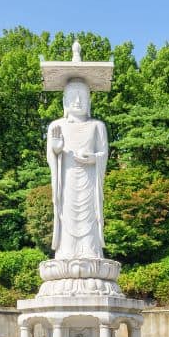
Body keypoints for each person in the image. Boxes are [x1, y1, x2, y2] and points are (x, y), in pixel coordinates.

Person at [47, 78, 108, 260]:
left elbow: (103, 154)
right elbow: (51, 157)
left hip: (89, 181)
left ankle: (91, 250)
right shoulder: (57, 126)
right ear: (65, 101)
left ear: (89, 101)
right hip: (66, 183)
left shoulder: (97, 126)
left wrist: (94, 159)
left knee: (89, 214)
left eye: (83, 97)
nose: (78, 102)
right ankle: (66, 251)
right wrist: (56, 150)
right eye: (73, 97)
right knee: (67, 214)